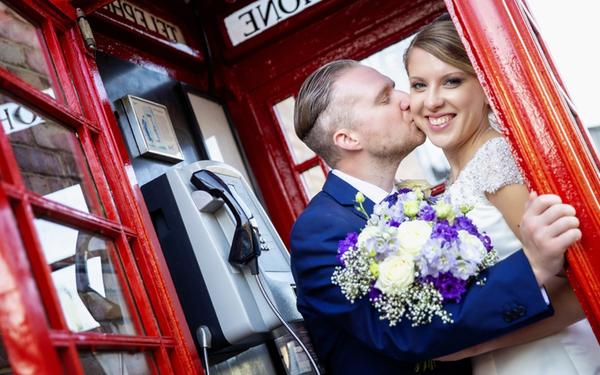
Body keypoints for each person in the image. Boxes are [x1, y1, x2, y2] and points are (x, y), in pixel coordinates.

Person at [290, 59, 582, 374]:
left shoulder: (415, 202)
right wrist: (533, 265)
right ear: (348, 139)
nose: (407, 99)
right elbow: (405, 332)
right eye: (385, 98)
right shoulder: (320, 231)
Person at [404, 16, 600, 375]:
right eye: (418, 85)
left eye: (451, 81)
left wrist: (473, 342)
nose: (431, 101)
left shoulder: (495, 160)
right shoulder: (454, 177)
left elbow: (579, 292)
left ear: (483, 83)